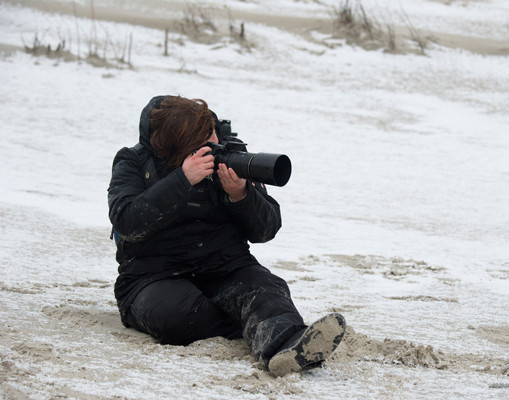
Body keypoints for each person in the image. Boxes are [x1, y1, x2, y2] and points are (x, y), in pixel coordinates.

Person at [107, 95, 346, 376]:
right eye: (203, 140)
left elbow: (266, 229)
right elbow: (127, 223)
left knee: (266, 288)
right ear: (176, 147)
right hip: (153, 275)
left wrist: (241, 195)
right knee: (176, 316)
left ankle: (287, 345)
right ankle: (252, 321)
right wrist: (182, 180)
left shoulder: (231, 155)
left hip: (225, 266)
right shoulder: (134, 161)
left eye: (213, 133)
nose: (214, 142)